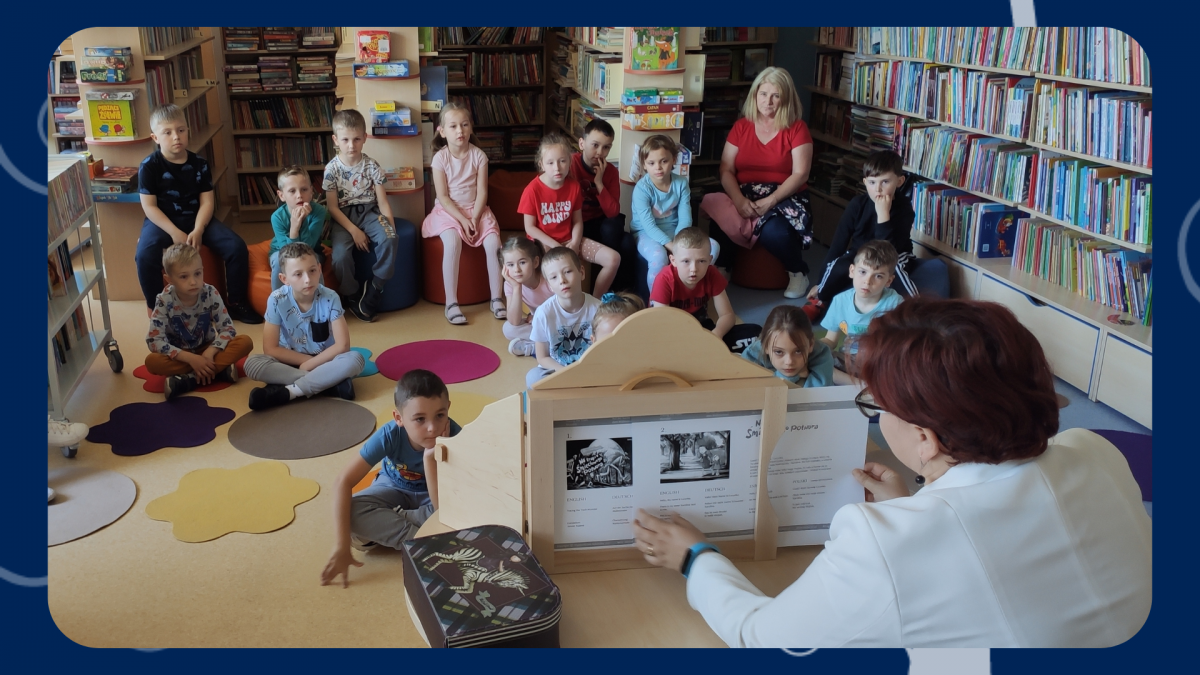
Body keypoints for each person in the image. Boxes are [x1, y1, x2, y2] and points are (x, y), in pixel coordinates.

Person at [631, 297, 1152, 647]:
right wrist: (914, 502)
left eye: (875, 404)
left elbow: (767, 638)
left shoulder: (882, 541)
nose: (875, 412)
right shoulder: (1097, 450)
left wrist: (694, 557)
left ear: (925, 439)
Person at [320, 370, 461, 588]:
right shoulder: (389, 435)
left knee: (462, 512)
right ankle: (421, 542)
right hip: (392, 488)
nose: (432, 427)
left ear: (448, 409)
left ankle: (390, 524)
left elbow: (442, 507)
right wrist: (341, 545)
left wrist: (429, 459)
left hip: (433, 497)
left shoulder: (456, 436)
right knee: (351, 511)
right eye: (420, 419)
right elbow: (342, 482)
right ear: (399, 418)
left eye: (440, 415)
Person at [136, 104, 260, 323]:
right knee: (145, 255)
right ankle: (158, 309)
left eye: (181, 130)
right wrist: (174, 232)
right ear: (155, 137)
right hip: (162, 222)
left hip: (198, 218)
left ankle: (236, 302)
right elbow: (149, 207)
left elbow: (207, 202)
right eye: (168, 132)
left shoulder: (199, 163)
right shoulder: (149, 166)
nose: (176, 136)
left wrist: (199, 229)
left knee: (236, 246)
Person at [699, 67, 815, 299]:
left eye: (776, 95)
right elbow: (726, 169)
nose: (768, 101)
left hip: (785, 196)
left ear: (786, 98)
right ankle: (723, 267)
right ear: (755, 95)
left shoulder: (797, 128)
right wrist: (739, 199)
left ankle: (797, 272)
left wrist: (770, 200)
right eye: (763, 94)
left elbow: (800, 174)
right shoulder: (742, 126)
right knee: (720, 213)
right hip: (744, 193)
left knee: (775, 233)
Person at [244, 243, 365, 410]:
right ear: (284, 279)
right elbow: (270, 349)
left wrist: (313, 363)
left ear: (320, 269)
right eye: (298, 274)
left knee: (356, 359)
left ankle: (290, 392)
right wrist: (307, 362)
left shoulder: (331, 297)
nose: (308, 279)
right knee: (252, 363)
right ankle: (330, 385)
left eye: (312, 270)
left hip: (325, 361)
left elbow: (342, 346)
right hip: (288, 362)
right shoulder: (276, 299)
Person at [806, 150, 916, 321]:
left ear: (899, 181)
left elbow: (888, 251)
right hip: (860, 253)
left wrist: (883, 215)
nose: (878, 189)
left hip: (895, 254)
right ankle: (820, 301)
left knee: (897, 272)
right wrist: (821, 283)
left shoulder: (904, 208)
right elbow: (838, 245)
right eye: (872, 182)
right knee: (839, 265)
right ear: (865, 182)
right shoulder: (857, 204)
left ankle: (916, 309)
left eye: (885, 182)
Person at [422, 102, 505, 325]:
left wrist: (475, 218)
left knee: (493, 242)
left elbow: (482, 193)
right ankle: (451, 303)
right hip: (449, 212)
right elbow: (444, 197)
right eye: (453, 126)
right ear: (442, 131)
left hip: (476, 210)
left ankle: (497, 298)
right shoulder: (440, 159)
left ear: (471, 128)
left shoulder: (479, 156)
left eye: (464, 125)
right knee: (452, 242)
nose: (460, 131)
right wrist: (463, 219)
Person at [324, 109, 406, 322]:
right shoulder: (331, 170)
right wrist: (354, 231)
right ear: (336, 140)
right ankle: (352, 295)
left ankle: (375, 287)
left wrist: (391, 231)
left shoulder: (372, 166)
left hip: (370, 212)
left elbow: (383, 202)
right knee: (340, 256)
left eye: (357, 139)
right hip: (344, 219)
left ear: (365, 138)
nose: (351, 145)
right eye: (345, 140)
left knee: (390, 238)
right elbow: (332, 207)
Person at [144, 243, 253, 400]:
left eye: (197, 274)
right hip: (180, 354)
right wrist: (190, 359)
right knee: (152, 362)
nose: (193, 282)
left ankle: (188, 379)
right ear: (169, 280)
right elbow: (154, 340)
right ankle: (218, 371)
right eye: (184, 276)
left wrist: (210, 352)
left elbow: (228, 329)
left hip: (208, 350)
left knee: (245, 342)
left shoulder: (210, 293)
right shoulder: (163, 300)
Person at [520, 132, 621, 298]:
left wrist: (574, 242)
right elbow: (529, 227)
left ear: (570, 161)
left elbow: (577, 221)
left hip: (569, 240)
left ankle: (594, 304)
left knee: (613, 259)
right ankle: (553, 307)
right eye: (550, 163)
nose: (557, 168)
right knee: (556, 266)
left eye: (562, 161)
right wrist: (555, 245)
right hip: (543, 243)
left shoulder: (573, 186)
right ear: (542, 164)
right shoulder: (532, 190)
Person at [631, 135, 719, 292]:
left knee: (713, 247)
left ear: (673, 160)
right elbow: (649, 226)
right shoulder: (642, 189)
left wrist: (680, 243)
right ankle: (656, 302)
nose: (658, 167)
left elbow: (685, 217)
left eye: (663, 161)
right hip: (645, 233)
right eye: (652, 163)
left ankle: (694, 291)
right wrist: (673, 247)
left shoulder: (681, 183)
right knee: (659, 257)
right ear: (644, 165)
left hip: (676, 231)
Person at [819, 240, 902, 384]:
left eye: (878, 276)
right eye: (863, 272)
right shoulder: (840, 301)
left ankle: (858, 385)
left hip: (878, 362)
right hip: (847, 361)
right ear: (852, 271)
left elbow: (898, 346)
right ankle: (863, 386)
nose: (867, 281)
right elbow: (830, 340)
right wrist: (814, 350)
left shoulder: (895, 303)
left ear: (889, 281)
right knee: (814, 361)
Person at [527, 247, 601, 388]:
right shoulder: (543, 313)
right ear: (549, 285)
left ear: (582, 272)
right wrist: (566, 373)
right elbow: (542, 357)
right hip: (558, 370)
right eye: (554, 277)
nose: (562, 280)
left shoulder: (598, 308)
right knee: (533, 377)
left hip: (590, 369)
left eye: (568, 272)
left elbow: (605, 349)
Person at [650, 227, 735, 343]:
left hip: (700, 325)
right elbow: (662, 323)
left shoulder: (712, 274)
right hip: (669, 330)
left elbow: (728, 315)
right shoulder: (664, 279)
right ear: (673, 260)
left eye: (701, 261)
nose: (693, 269)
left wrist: (716, 335)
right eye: (686, 261)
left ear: (710, 260)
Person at [572, 119, 629, 273]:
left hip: (600, 222)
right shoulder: (571, 164)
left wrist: (599, 183)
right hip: (576, 221)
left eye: (606, 147)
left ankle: (612, 290)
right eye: (595, 145)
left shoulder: (610, 171)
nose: (600, 152)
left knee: (626, 242)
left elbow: (612, 212)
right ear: (582, 143)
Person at [739, 305, 833, 387]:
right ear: (765, 346)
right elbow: (751, 390)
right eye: (779, 352)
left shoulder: (821, 353)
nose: (789, 362)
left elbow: (818, 395)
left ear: (811, 345)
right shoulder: (752, 355)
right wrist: (790, 377)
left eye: (798, 351)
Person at [270, 166, 328, 290]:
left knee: (314, 261)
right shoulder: (277, 217)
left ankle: (320, 302)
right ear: (281, 195)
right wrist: (294, 228)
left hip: (312, 250)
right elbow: (286, 251)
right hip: (282, 250)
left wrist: (302, 222)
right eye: (292, 191)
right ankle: (279, 301)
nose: (299, 195)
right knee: (277, 260)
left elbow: (308, 247)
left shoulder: (318, 211)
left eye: (304, 189)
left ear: (311, 191)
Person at [499, 237, 552, 357]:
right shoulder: (510, 284)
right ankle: (540, 346)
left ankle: (538, 347)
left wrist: (538, 317)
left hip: (559, 322)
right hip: (541, 326)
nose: (516, 269)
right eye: (510, 265)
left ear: (535, 262)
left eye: (522, 262)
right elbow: (514, 321)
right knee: (508, 328)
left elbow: (566, 308)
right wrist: (517, 287)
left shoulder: (548, 279)